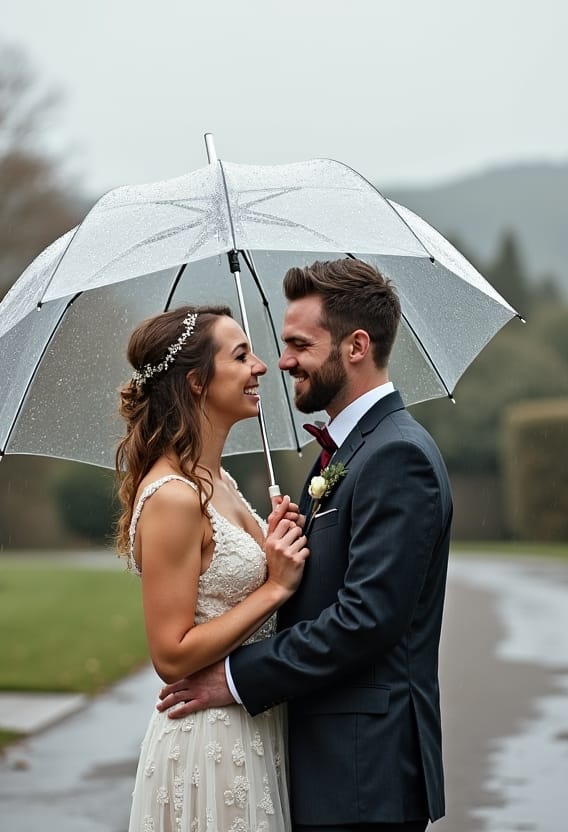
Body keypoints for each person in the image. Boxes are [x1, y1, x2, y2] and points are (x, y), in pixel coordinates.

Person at [156, 259, 454, 832]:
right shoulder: (345, 453)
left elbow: (366, 619)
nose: (282, 360)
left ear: (356, 346)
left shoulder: (397, 455)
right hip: (330, 764)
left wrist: (236, 677)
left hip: (365, 771)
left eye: (299, 344)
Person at [117, 304, 308, 832]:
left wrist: (275, 542)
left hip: (253, 724)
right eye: (242, 356)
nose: (262, 367)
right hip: (209, 739)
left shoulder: (219, 482)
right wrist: (273, 588)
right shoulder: (175, 497)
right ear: (198, 381)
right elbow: (171, 654)